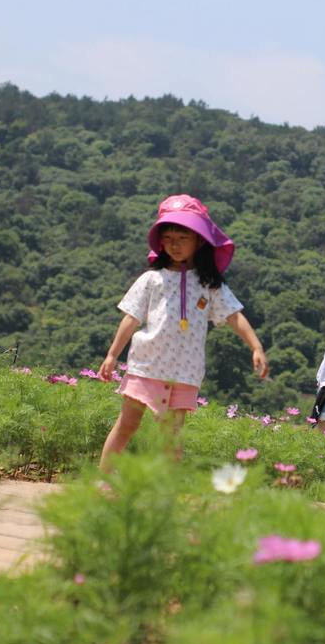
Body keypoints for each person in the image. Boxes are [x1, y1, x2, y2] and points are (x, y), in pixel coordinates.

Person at [98, 195, 268, 470]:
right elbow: (131, 318)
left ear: (199, 240)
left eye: (182, 237)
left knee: (171, 438)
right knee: (127, 426)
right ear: (161, 242)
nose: (174, 244)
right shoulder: (152, 279)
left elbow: (233, 316)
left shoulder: (209, 284)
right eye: (169, 237)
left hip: (184, 373)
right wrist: (112, 354)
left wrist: (256, 347)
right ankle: (104, 482)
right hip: (146, 366)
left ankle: (164, 495)